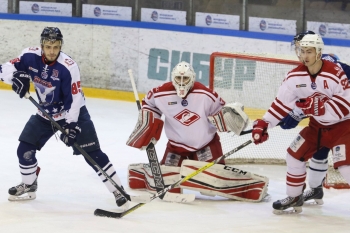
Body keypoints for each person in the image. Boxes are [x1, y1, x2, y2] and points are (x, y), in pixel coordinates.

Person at [0, 27, 128, 208]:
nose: (52, 51)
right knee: (24, 150)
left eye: (56, 47)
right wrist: (15, 77)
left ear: (61, 46)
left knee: (92, 154)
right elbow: (3, 68)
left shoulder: (68, 66)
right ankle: (29, 184)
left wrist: (71, 125)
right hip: (45, 113)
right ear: (42, 45)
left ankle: (117, 189)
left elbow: (74, 100)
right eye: (48, 46)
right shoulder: (29, 56)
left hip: (73, 113)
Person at [125, 61, 269, 202]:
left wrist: (227, 119)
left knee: (212, 180)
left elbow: (222, 112)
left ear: (192, 78)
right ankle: (142, 172)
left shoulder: (205, 94)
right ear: (172, 78)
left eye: (185, 78)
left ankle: (250, 187)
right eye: (178, 78)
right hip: (176, 146)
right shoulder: (160, 93)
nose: (181, 82)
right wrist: (148, 122)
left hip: (205, 145)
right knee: (168, 182)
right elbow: (149, 104)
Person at [252, 33, 350, 214]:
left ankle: (314, 189)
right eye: (302, 51)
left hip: (343, 127)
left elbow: (345, 106)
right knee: (294, 155)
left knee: (345, 167)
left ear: (319, 52)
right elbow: (280, 104)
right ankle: (295, 197)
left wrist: (314, 109)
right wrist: (264, 123)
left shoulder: (335, 73)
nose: (304, 56)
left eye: (309, 52)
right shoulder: (294, 76)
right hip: (316, 127)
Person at [280, 30, 350, 205]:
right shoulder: (310, 65)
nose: (299, 50)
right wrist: (293, 112)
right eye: (298, 47)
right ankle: (316, 190)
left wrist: (298, 112)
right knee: (319, 149)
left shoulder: (323, 64)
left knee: (345, 162)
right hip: (324, 122)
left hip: (343, 116)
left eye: (302, 46)